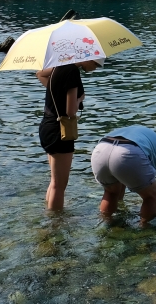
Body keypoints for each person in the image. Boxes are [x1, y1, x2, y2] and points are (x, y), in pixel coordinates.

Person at [35, 59, 101, 210]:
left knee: (54, 181)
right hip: (60, 130)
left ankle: (49, 215)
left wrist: (59, 93)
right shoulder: (72, 71)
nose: (95, 68)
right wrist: (79, 99)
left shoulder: (59, 66)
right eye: (96, 64)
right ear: (87, 58)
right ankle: (55, 224)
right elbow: (71, 111)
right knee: (59, 185)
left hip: (46, 126)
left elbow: (40, 74)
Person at [91, 125, 156, 223]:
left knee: (111, 192)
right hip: (129, 151)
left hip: (101, 149)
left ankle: (105, 224)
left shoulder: (152, 142)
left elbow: (122, 173)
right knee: (151, 195)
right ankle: (146, 232)